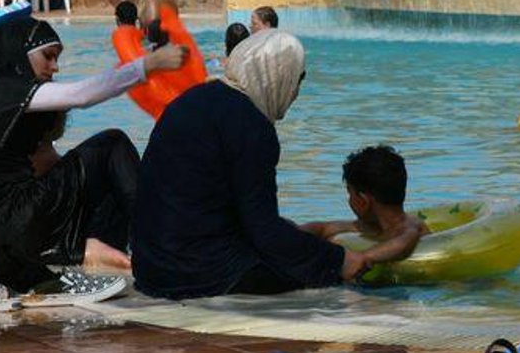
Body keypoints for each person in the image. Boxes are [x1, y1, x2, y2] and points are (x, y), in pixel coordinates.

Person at [0, 16, 187, 307]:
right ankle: (167, 249)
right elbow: (81, 95)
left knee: (99, 170)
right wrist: (149, 64)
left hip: (4, 239)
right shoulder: (3, 95)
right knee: (111, 144)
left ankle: (11, 277)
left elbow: (48, 163)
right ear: (20, 53)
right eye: (48, 57)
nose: (54, 67)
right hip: (18, 227)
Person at [132, 29, 368, 299]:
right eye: (296, 80)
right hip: (194, 274)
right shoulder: (252, 127)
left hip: (149, 266)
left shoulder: (192, 99)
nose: (295, 93)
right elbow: (265, 232)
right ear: (277, 75)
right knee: (320, 273)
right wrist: (338, 259)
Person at [300, 145, 428, 264]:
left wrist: (363, 258)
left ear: (363, 201)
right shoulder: (370, 225)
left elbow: (408, 238)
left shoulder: (410, 226)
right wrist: (292, 234)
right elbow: (324, 228)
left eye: (350, 193)